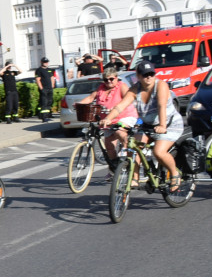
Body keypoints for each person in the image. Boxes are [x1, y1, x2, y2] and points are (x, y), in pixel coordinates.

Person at [100, 61, 184, 191]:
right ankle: (135, 177)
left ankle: (174, 173)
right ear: (138, 76)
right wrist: (108, 118)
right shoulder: (135, 89)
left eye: (151, 74)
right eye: (145, 75)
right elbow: (121, 106)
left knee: (158, 152)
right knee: (132, 148)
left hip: (169, 124)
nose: (149, 77)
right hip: (148, 126)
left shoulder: (160, 85)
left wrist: (162, 125)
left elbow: (161, 106)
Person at [77, 67, 138, 179]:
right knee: (109, 146)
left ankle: (127, 156)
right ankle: (114, 167)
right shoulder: (101, 88)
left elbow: (128, 99)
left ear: (116, 78)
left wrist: (115, 109)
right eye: (106, 80)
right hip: (107, 120)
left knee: (120, 133)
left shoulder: (122, 86)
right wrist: (79, 104)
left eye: (111, 79)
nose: (109, 81)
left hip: (124, 116)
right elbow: (91, 98)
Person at [35, 57, 57, 121]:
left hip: (50, 88)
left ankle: (48, 114)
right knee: (44, 102)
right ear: (41, 62)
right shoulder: (39, 70)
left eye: (47, 62)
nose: (46, 63)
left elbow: (52, 77)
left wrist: (52, 85)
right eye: (45, 62)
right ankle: (44, 117)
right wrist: (41, 88)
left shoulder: (49, 69)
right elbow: (38, 79)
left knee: (50, 101)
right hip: (44, 88)